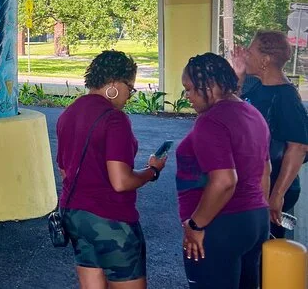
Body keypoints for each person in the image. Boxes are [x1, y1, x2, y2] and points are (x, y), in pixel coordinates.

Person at [56, 50, 167, 289]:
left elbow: (65, 171)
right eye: (130, 88)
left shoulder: (68, 114)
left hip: (75, 216)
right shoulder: (114, 119)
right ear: (114, 84)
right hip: (111, 220)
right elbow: (121, 181)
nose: (130, 96)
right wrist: (152, 171)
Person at [177, 53, 271, 289]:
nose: (187, 96)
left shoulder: (210, 121)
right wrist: (257, 212)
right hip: (255, 221)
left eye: (189, 89)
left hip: (220, 225)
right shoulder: (253, 114)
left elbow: (225, 181)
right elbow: (265, 170)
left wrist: (195, 225)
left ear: (209, 85)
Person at [232, 31, 308, 238]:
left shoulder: (285, 96)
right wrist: (239, 75)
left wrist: (277, 195)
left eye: (250, 51)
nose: (245, 54)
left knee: (265, 245)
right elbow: (234, 110)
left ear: (265, 60)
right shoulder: (259, 87)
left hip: (272, 185)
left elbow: (299, 147)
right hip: (254, 183)